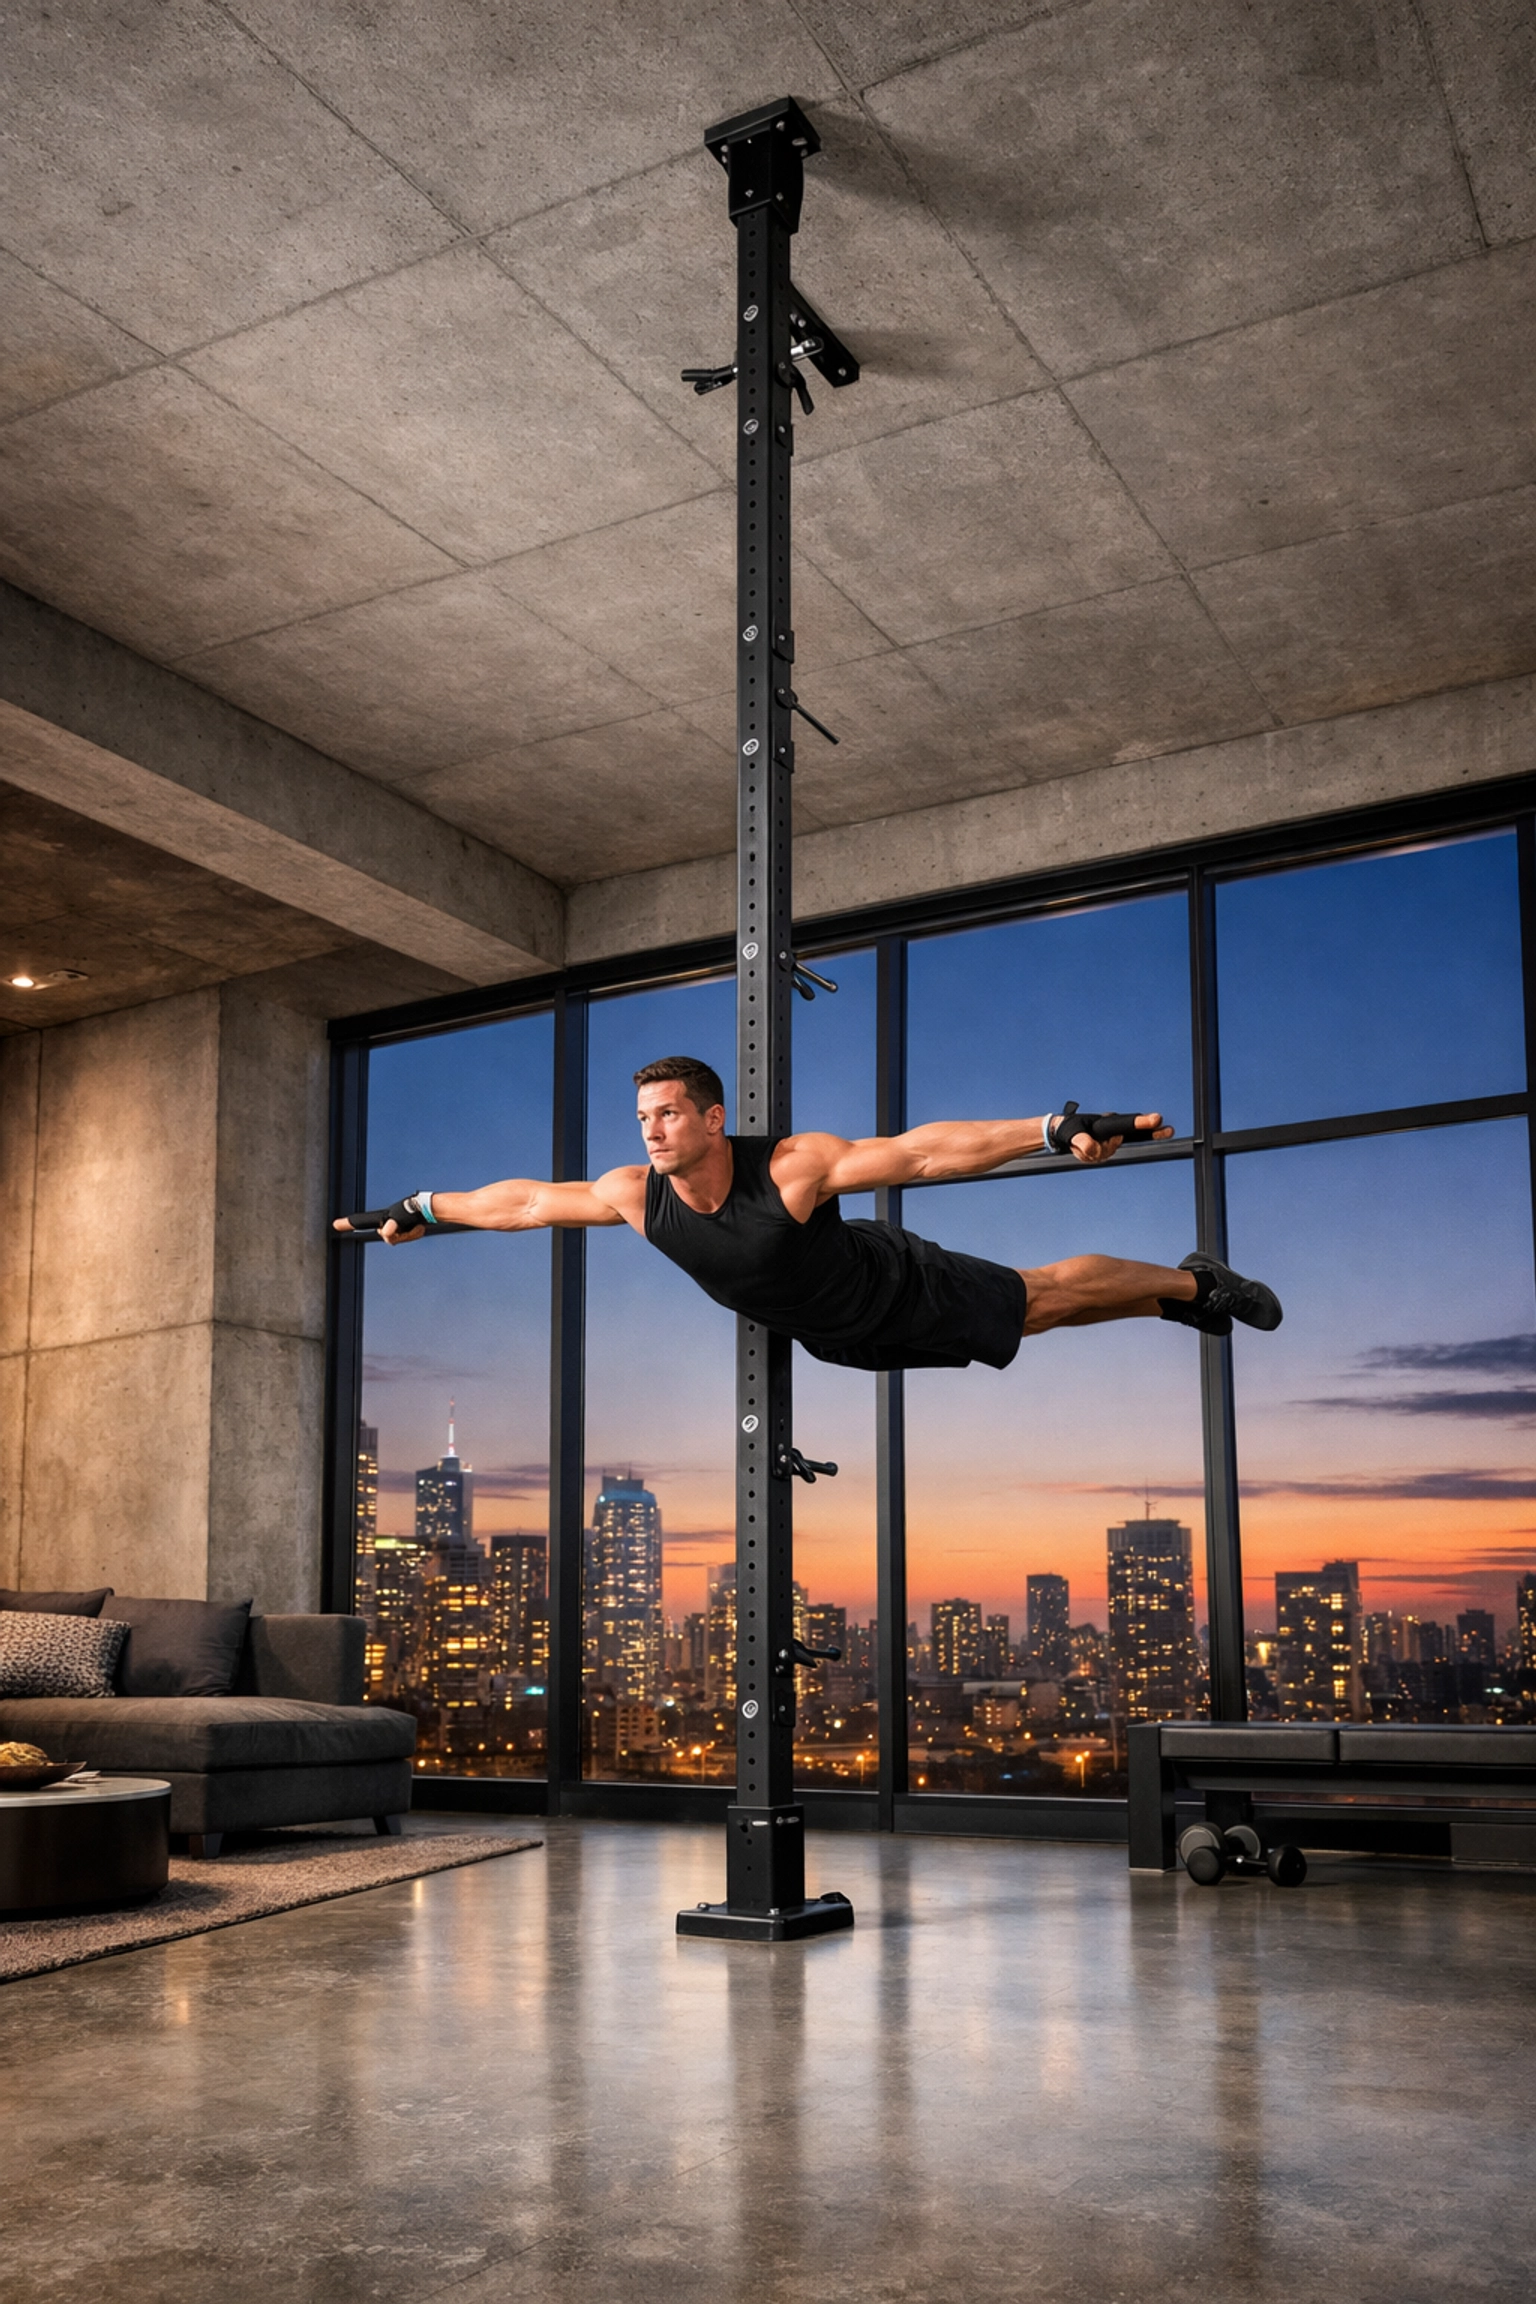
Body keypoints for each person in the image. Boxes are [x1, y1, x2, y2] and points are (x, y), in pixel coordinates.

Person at [335, 1055, 1280, 1370]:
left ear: (713, 1119)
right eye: (643, 1118)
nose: (652, 1130)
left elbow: (923, 1151)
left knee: (1040, 1299)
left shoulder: (791, 1169)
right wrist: (424, 1208)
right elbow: (522, 1203)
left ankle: (1193, 1283)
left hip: (894, 1286)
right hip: (838, 1338)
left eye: (669, 1114)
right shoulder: (634, 1195)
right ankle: (1180, 1300)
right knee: (1030, 1327)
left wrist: (1050, 1128)